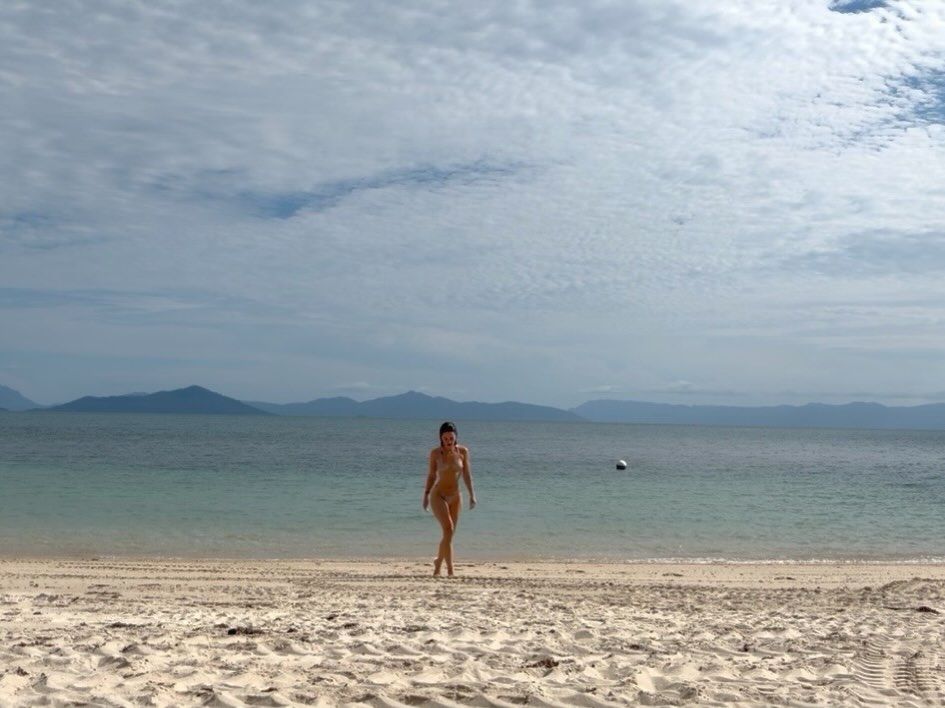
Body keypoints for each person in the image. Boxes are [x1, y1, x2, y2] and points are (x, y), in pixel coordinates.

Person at [422, 421, 476, 576]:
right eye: (445, 438)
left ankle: (438, 562)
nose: (448, 441)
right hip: (438, 495)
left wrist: (472, 495)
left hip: (456, 496)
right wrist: (425, 495)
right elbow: (432, 475)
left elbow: (466, 475)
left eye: (451, 437)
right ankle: (451, 571)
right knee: (448, 528)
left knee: (449, 534)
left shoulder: (463, 452)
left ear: (455, 437)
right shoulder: (435, 453)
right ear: (441, 438)